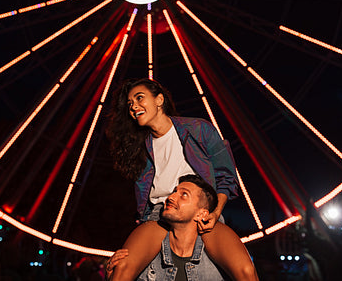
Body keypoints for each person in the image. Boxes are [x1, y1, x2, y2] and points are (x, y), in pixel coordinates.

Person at [106, 78, 258, 281]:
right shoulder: (140, 150)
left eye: (139, 98)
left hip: (200, 211)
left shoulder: (199, 129)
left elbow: (226, 176)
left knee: (246, 270)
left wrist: (215, 212)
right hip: (159, 214)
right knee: (120, 269)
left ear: (159, 100)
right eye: (130, 104)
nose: (133, 106)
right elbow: (144, 198)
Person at [109, 174, 249, 280]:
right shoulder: (148, 250)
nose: (170, 197)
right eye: (174, 192)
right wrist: (110, 275)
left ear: (202, 213)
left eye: (184, 195)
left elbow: (247, 272)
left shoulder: (216, 252)